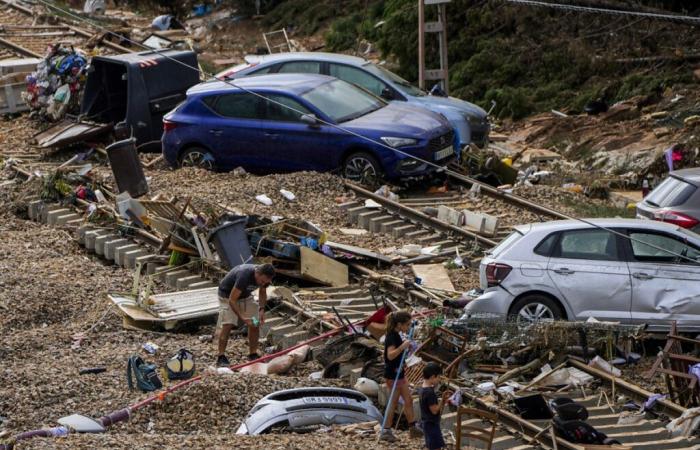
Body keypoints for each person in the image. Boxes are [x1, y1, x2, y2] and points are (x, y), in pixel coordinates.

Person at [216, 263, 275, 367]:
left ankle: (253, 354)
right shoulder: (244, 275)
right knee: (228, 324)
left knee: (255, 323)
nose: (263, 284)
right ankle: (221, 356)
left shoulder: (265, 280)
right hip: (227, 296)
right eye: (261, 281)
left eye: (266, 282)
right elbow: (232, 300)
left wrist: (261, 309)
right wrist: (243, 318)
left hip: (245, 296)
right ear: (257, 273)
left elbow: (262, 292)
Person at [379, 310, 422, 442]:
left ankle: (413, 428)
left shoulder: (397, 334)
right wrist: (403, 347)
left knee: (408, 400)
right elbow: (390, 355)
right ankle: (386, 430)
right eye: (407, 325)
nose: (408, 327)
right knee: (393, 402)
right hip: (393, 375)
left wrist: (406, 348)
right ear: (399, 324)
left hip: (399, 373)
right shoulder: (392, 336)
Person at [419, 363, 451, 450]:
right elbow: (434, 410)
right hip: (431, 424)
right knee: (436, 447)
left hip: (426, 423)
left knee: (432, 446)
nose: (439, 380)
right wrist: (443, 400)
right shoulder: (429, 393)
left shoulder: (422, 388)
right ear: (433, 377)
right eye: (438, 377)